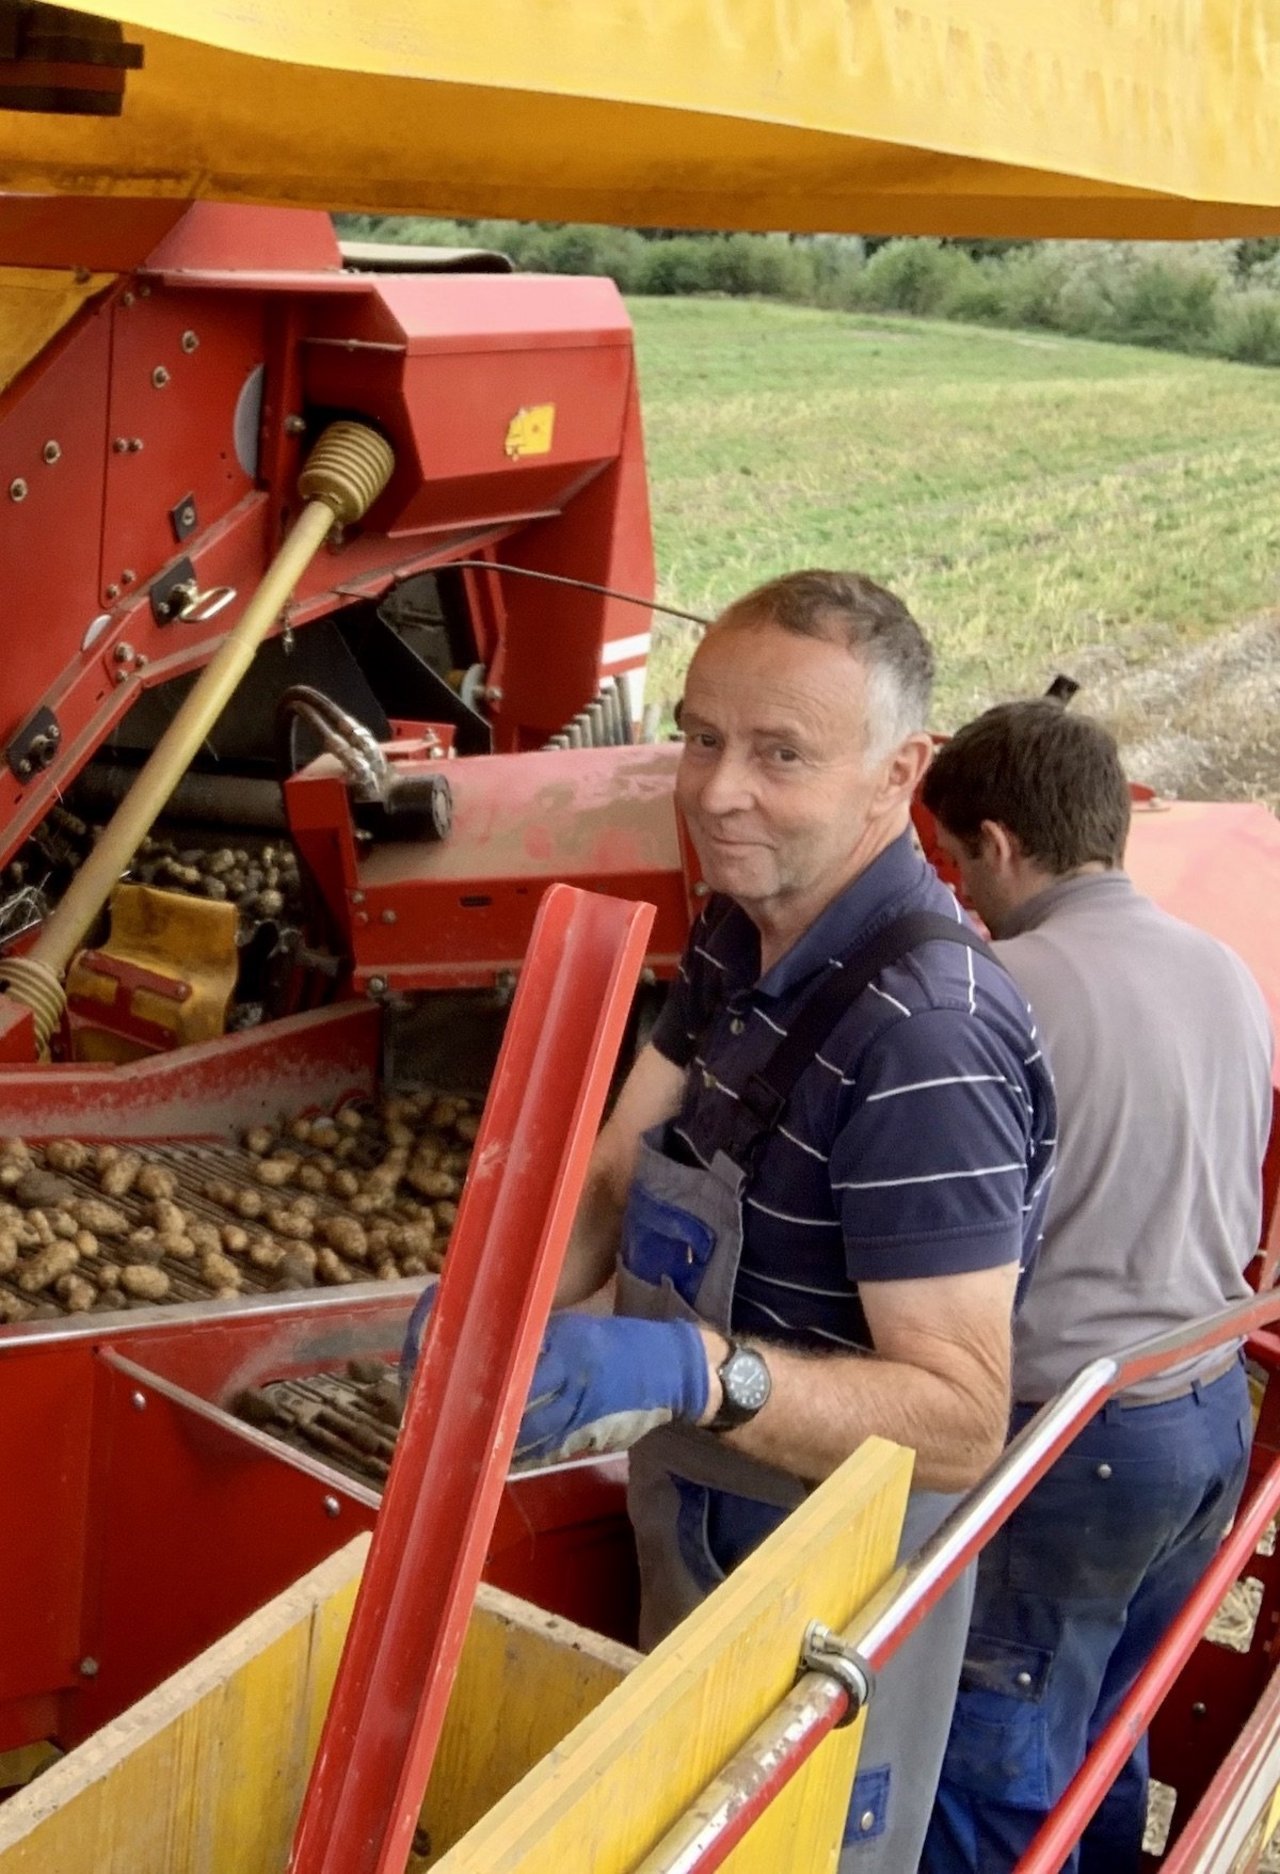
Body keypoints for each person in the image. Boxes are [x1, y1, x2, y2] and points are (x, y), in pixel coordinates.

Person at [418, 569, 1056, 1871]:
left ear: (899, 770)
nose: (717, 789)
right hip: (698, 1507)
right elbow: (614, 1169)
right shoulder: (740, 925)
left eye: (781, 754)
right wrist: (507, 1307)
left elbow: (958, 1415)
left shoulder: (929, 1038)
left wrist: (703, 1368)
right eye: (702, 735)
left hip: (827, 1573)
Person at [918, 699, 1272, 1874]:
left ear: (1000, 844)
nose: (959, 891)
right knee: (1108, 1704)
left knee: (997, 1745)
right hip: (1206, 1407)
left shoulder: (995, 992)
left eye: (959, 861)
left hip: (1075, 1438)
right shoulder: (1222, 970)